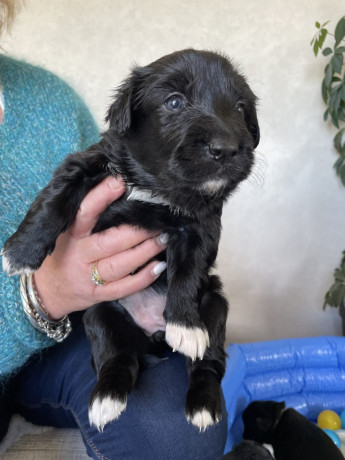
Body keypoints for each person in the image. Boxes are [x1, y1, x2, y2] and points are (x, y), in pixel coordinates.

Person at [0, 1, 228, 458]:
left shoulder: (52, 101)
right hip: (62, 316)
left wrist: (180, 295)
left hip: (83, 325)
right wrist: (39, 294)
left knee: (177, 435)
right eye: (177, 102)